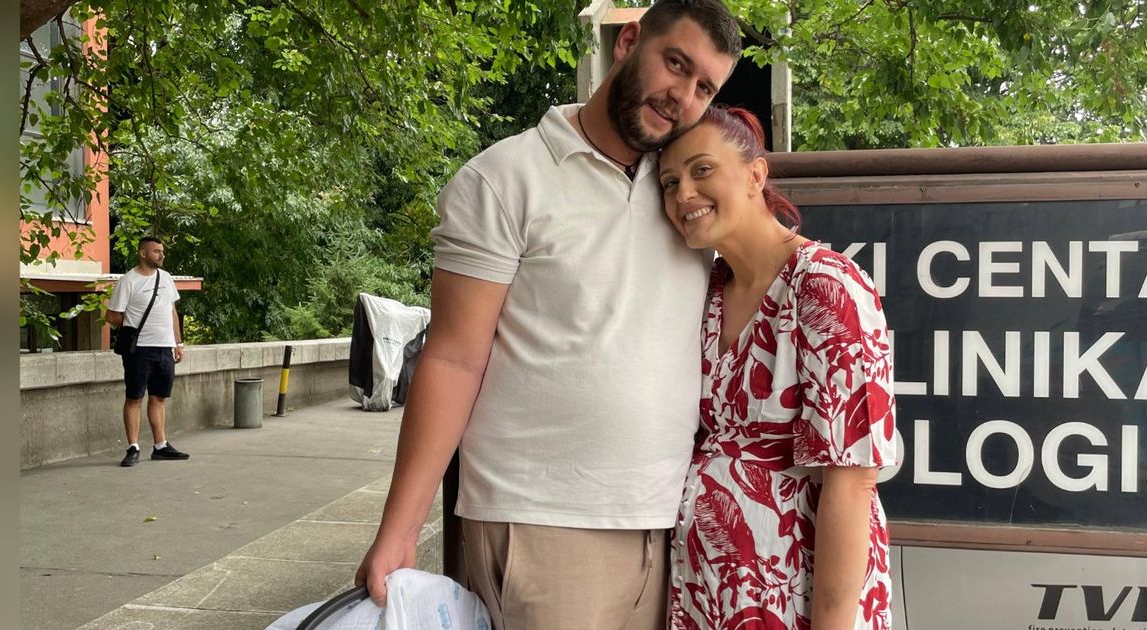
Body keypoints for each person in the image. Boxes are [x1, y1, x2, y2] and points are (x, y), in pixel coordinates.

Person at [354, 1, 742, 627]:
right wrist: (400, 530)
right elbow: (452, 359)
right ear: (628, 42)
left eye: (705, 88)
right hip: (543, 521)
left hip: (672, 521)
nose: (683, 97)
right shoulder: (504, 178)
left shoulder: (686, 192)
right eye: (676, 64)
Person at [658, 106, 898, 629]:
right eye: (670, 182)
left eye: (702, 170)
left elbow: (853, 478)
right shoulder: (709, 290)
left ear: (755, 175)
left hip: (796, 592)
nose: (683, 194)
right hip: (712, 590)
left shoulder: (825, 286)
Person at [104, 236, 190, 468]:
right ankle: (133, 447)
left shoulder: (166, 278)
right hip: (139, 349)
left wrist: (178, 343)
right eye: (156, 251)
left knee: (158, 397)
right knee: (134, 397)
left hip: (165, 348)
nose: (162, 255)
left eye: (162, 251)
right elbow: (112, 316)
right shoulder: (128, 281)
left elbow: (172, 311)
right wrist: (132, 325)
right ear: (143, 254)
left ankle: (160, 446)